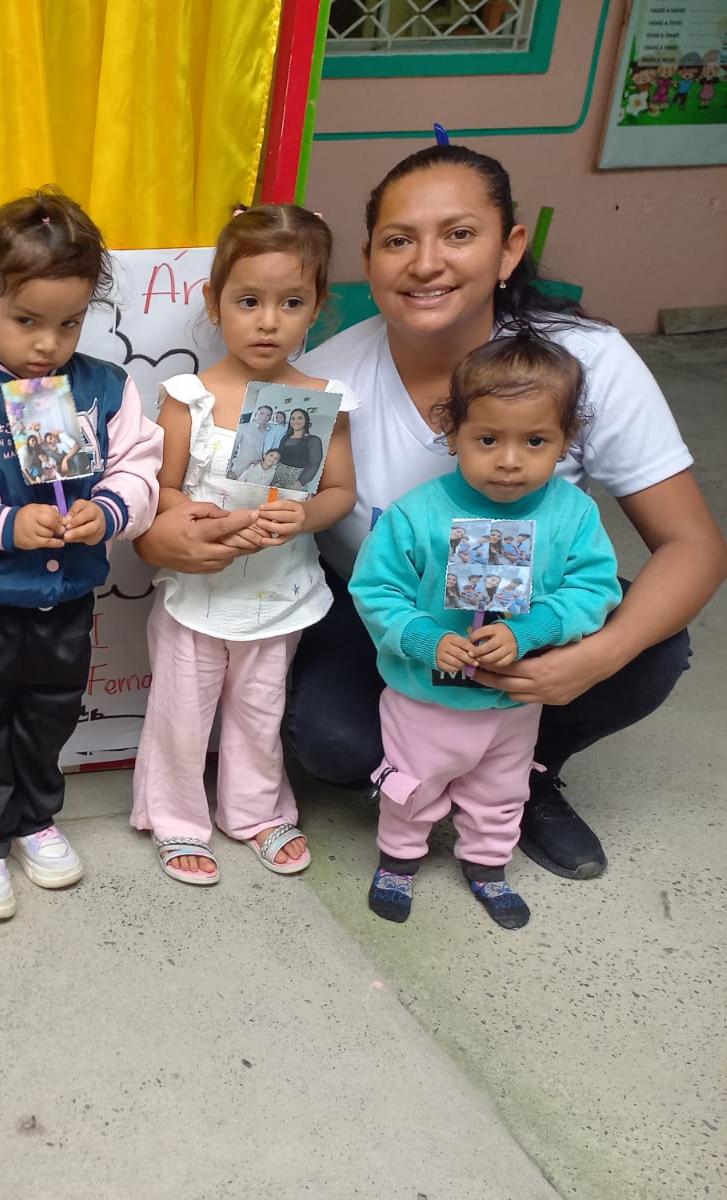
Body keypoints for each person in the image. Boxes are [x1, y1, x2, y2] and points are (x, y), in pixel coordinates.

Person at [134, 143, 724, 880]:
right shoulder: (320, 384)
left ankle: (521, 772)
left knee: (651, 648)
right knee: (332, 742)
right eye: (398, 241)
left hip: (522, 620)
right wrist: (172, 536)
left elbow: (693, 546)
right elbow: (246, 504)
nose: (425, 263)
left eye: (459, 234)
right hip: (382, 615)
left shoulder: (585, 362)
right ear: (367, 260)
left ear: (509, 248)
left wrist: (594, 657)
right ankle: (422, 771)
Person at [0, 186, 162, 920]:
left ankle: (36, 817)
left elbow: (140, 468)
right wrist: (4, 524)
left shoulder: (106, 388)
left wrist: (108, 511)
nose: (47, 344)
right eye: (27, 321)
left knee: (51, 713)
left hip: (67, 599)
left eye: (68, 323)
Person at [351, 334, 621, 929]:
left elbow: (595, 587)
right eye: (488, 439)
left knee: (502, 789)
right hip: (426, 697)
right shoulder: (416, 514)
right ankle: (398, 861)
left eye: (535, 441)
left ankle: (488, 864)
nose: (510, 460)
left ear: (567, 439)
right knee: (412, 786)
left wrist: (535, 629)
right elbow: (376, 589)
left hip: (512, 703)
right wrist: (423, 638)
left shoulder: (574, 514)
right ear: (453, 432)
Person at [130, 204, 356, 884]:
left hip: (278, 594)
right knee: (181, 713)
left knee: (261, 712)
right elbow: (161, 490)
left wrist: (304, 517)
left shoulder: (322, 400)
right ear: (214, 302)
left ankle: (256, 811)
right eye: (249, 301)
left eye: (291, 303)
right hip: (198, 594)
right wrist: (198, 515)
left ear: (317, 307)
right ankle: (175, 817)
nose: (268, 321)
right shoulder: (189, 397)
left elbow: (340, 492)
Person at [276, 408, 325, 487]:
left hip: (296, 481)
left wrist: (298, 484)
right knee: (271, 495)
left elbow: (314, 465)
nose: (296, 421)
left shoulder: (313, 440)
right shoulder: (285, 438)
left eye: (300, 418)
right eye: (293, 418)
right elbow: (278, 456)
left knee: (287, 496)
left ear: (306, 420)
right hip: (276, 478)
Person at [228, 402, 274, 477]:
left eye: (268, 415)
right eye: (262, 413)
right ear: (256, 414)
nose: (264, 417)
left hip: (257, 470)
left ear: (270, 418)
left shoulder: (269, 433)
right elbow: (232, 449)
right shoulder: (243, 428)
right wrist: (229, 470)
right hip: (240, 469)